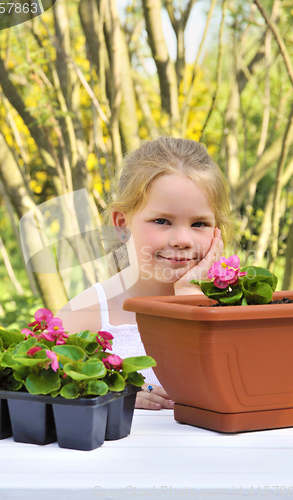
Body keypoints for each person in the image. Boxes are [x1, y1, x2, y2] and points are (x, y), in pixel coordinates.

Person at [56, 137, 234, 410]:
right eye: (162, 221)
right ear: (122, 224)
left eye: (199, 223)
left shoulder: (235, 310)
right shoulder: (85, 315)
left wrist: (189, 298)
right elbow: (38, 393)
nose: (182, 239)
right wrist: (108, 390)